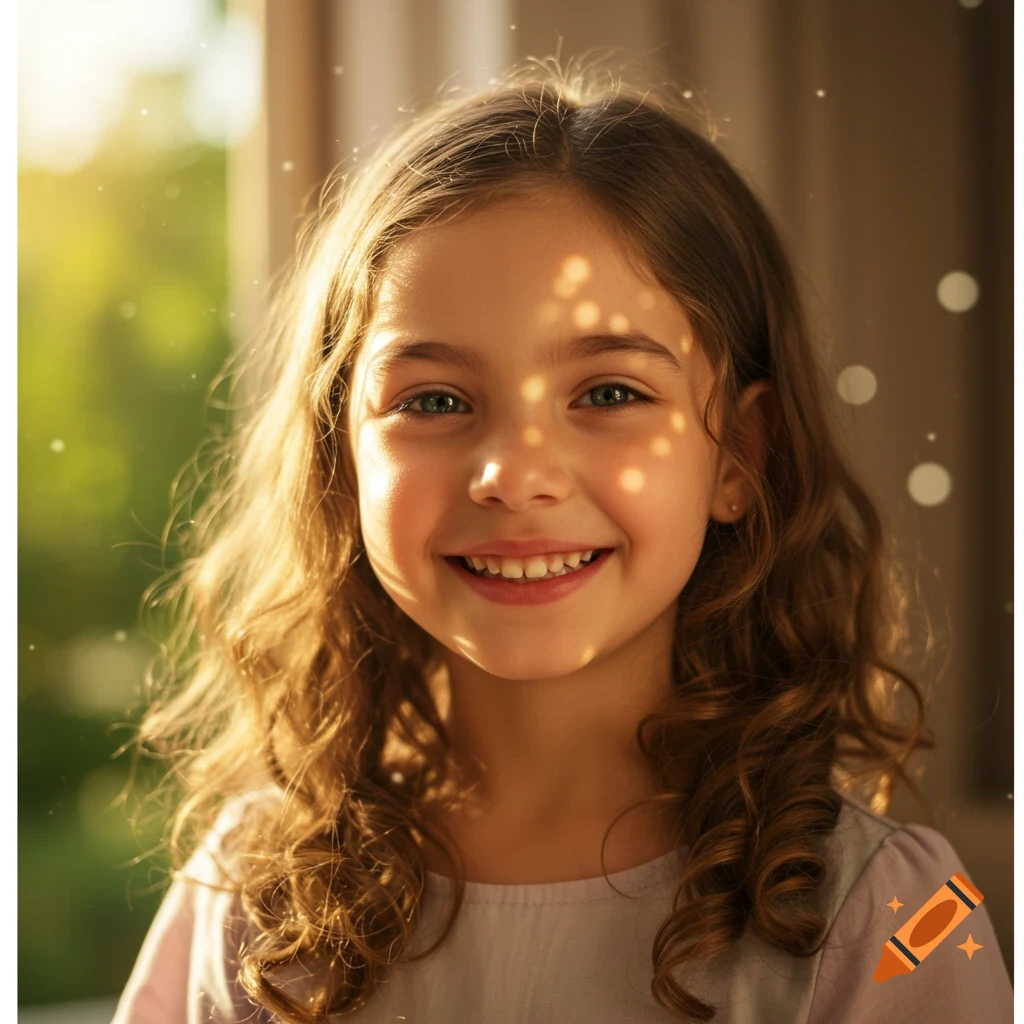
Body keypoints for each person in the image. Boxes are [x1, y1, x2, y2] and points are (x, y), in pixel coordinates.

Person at [110, 53, 1013, 1023]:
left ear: (739, 457)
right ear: (343, 460)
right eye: (436, 399)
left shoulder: (898, 913)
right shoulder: (252, 897)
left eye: (610, 393)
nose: (513, 473)